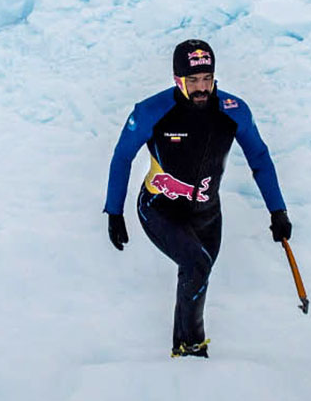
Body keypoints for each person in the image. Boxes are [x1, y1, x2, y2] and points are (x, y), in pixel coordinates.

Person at [104, 39, 290, 358]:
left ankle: (182, 349)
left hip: (207, 213)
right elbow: (122, 157)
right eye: (193, 81)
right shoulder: (152, 111)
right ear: (178, 79)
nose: (202, 87)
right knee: (196, 263)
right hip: (159, 209)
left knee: (196, 275)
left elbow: (259, 157)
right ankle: (192, 350)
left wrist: (278, 211)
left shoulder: (233, 111)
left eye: (207, 79)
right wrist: (114, 211)